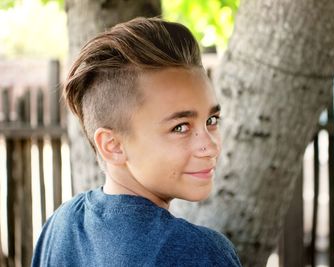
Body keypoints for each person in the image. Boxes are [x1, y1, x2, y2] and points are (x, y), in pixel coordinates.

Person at [31, 17, 242, 267]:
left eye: (212, 120)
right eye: (180, 127)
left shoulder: (60, 225)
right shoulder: (200, 253)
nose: (211, 146)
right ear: (113, 146)